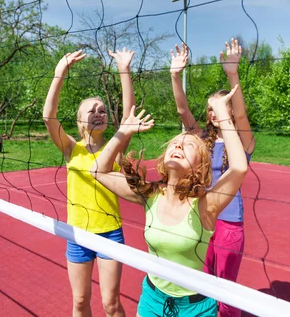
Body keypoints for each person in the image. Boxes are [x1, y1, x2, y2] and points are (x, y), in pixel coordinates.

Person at [90, 85, 248, 317]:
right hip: (153, 300)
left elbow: (239, 167)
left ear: (201, 165)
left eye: (189, 145)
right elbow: (99, 172)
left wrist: (222, 113)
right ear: (164, 158)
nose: (178, 145)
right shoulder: (151, 195)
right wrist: (123, 131)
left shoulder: (205, 206)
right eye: (175, 143)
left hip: (195, 307)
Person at [43, 48, 135, 317]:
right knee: (80, 301)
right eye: (91, 110)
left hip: (110, 232)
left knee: (111, 303)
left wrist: (124, 70)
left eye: (102, 110)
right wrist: (59, 74)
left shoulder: (115, 147)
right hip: (78, 235)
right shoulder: (71, 148)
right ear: (80, 121)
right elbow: (49, 117)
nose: (99, 112)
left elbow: (128, 115)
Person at [169, 39, 255, 317]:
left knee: (225, 290)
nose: (212, 113)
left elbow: (241, 114)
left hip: (229, 223)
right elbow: (183, 111)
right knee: (200, 284)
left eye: (219, 107)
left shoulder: (241, 143)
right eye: (209, 108)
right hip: (200, 218)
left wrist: (233, 74)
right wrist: (175, 75)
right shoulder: (201, 139)